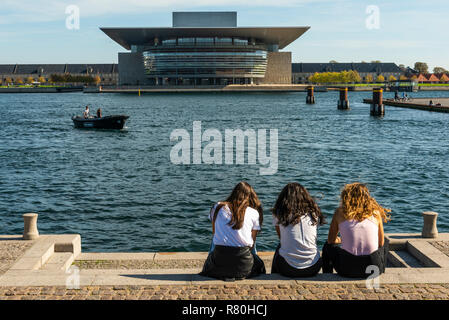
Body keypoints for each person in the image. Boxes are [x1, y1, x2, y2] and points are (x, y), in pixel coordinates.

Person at [200, 181, 266, 281]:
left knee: (216, 237)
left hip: (218, 264)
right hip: (244, 266)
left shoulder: (217, 207)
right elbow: (251, 245)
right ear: (250, 197)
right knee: (250, 241)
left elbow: (214, 233)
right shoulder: (253, 212)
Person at [322, 182, 391, 278]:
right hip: (373, 268)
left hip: (347, 269)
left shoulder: (340, 212)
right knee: (386, 241)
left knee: (327, 246)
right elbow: (381, 243)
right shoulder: (376, 212)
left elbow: (331, 240)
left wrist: (340, 240)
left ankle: (327, 275)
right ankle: (381, 270)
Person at [271, 183, 325, 278]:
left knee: (279, 247)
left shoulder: (279, 213)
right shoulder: (313, 213)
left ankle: (273, 275)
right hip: (313, 267)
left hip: (287, 268)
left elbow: (281, 238)